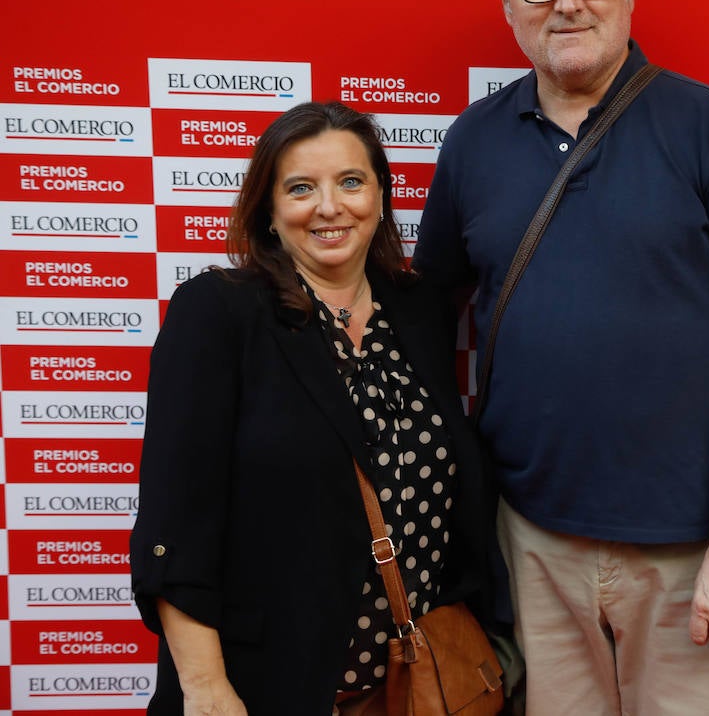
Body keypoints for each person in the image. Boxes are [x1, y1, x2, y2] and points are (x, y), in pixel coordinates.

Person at [414, 0, 709, 715]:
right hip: (531, 541)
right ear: (507, 2)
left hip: (690, 551)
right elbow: (426, 318)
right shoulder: (473, 141)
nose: (567, 1)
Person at [130, 102, 495, 715]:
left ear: (380, 195)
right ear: (269, 211)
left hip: (414, 689)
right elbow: (176, 521)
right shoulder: (219, 313)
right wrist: (206, 687)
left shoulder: (417, 310)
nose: (330, 206)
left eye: (351, 181)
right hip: (266, 687)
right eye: (301, 188)